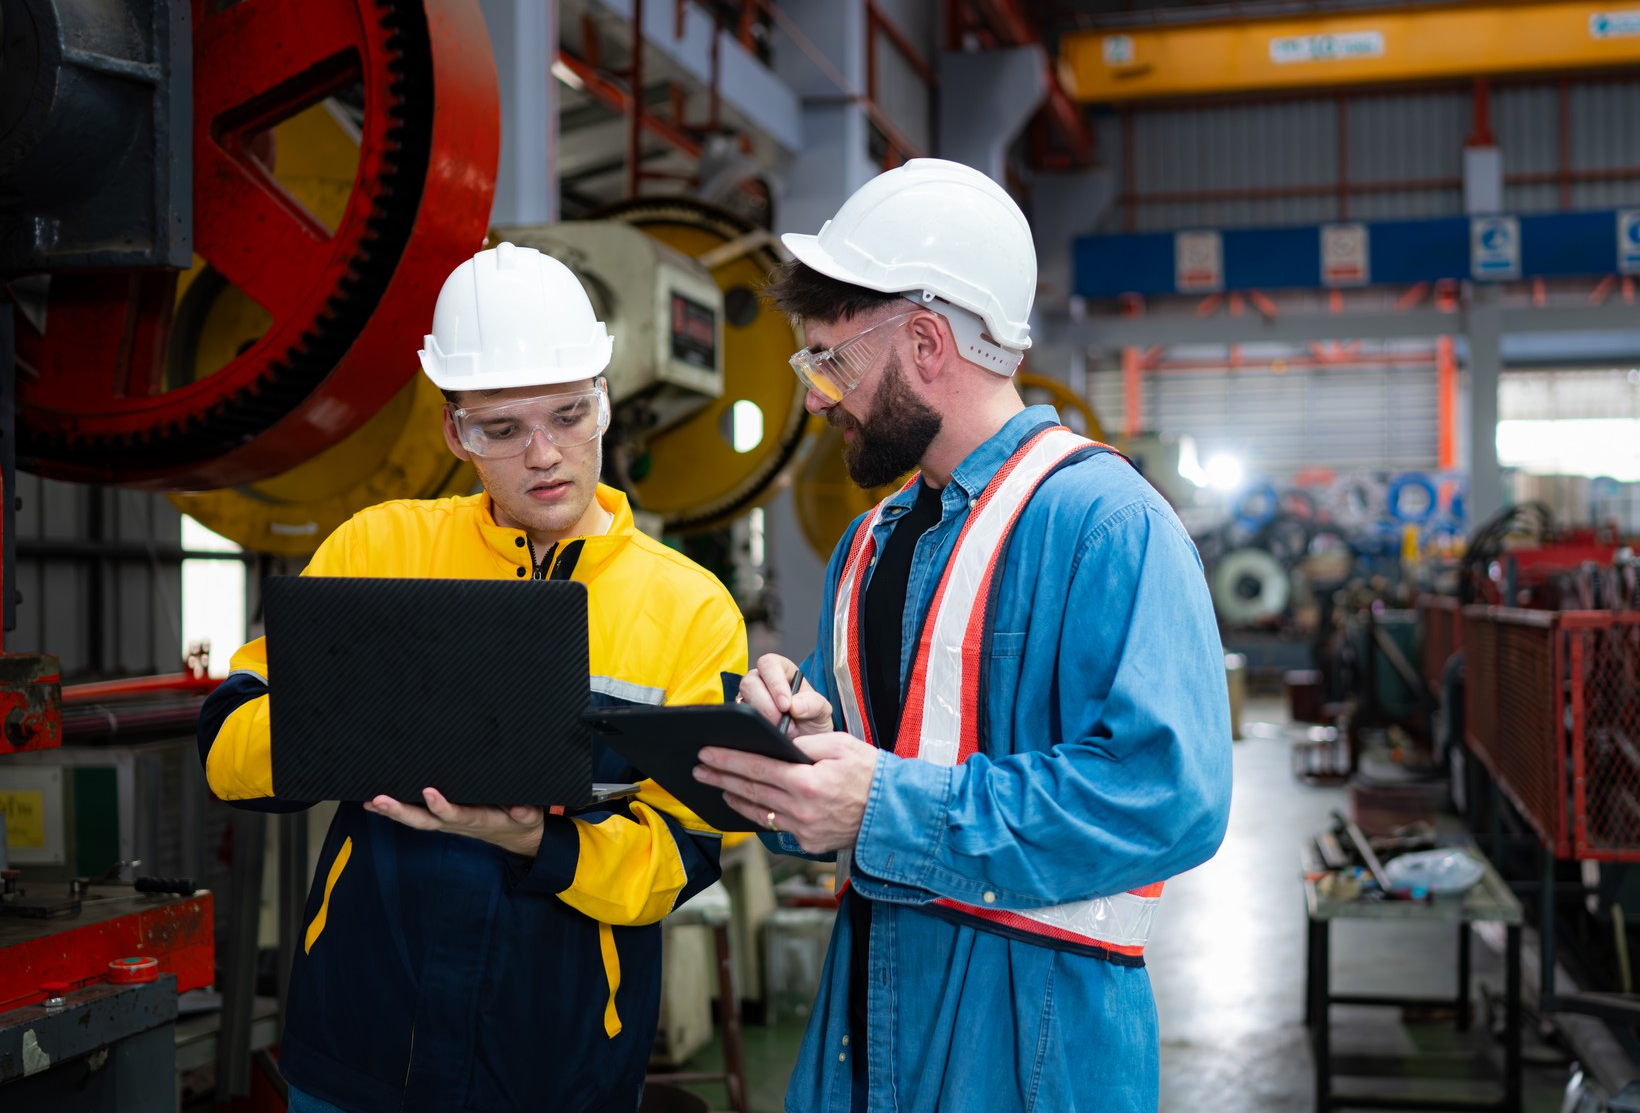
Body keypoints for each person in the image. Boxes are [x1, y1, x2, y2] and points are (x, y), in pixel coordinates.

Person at [695, 158, 1233, 1111]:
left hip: (1035, 1046)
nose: (818, 397)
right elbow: (853, 786)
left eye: (832, 361)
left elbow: (1170, 797)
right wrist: (791, 747)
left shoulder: (1107, 526)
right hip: (870, 1017)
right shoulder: (869, 543)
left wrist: (883, 806)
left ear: (929, 342)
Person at [198, 243, 748, 1113]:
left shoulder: (688, 608)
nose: (545, 456)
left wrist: (533, 839)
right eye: (503, 429)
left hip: (557, 1057)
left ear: (604, 401)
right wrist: (371, 717)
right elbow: (229, 748)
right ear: (456, 431)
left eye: (570, 415)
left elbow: (682, 857)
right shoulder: (379, 550)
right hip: (361, 1039)